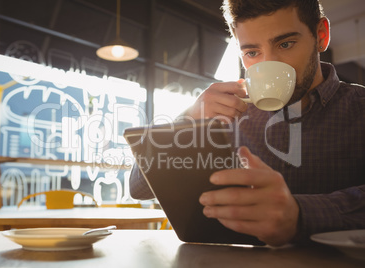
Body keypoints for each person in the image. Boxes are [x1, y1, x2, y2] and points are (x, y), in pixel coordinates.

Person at [129, 0, 365, 246]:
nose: (268, 63)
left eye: (285, 44)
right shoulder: (226, 115)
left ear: (321, 35)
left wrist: (300, 214)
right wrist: (188, 121)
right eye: (252, 52)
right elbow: (138, 188)